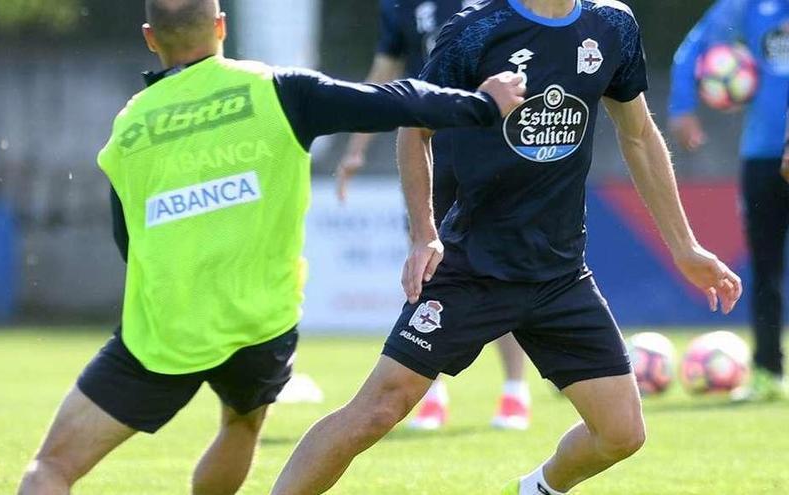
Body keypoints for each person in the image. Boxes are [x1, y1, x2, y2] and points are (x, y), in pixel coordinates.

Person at [15, 1, 520, 494]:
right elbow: (397, 100)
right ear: (220, 27)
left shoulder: (129, 125)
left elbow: (127, 238)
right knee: (239, 426)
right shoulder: (277, 89)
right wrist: (482, 105)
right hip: (260, 326)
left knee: (51, 469)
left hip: (166, 329)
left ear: (150, 37)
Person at [271, 0, 743, 494]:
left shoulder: (611, 26)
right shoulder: (477, 31)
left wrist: (685, 247)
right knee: (377, 410)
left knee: (622, 433)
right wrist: (423, 234)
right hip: (472, 267)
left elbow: (640, 135)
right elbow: (416, 128)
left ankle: (534, 489)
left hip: (559, 275)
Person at [336, 0, 532, 432]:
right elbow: (383, 71)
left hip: (492, 152)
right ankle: (431, 392)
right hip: (430, 154)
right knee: (429, 273)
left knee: (502, 271)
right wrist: (355, 149)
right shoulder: (399, 6)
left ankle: (516, 391)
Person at [669, 0, 789, 402]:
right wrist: (682, 106)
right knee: (765, 267)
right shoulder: (744, 6)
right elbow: (694, 47)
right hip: (761, 156)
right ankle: (768, 371)